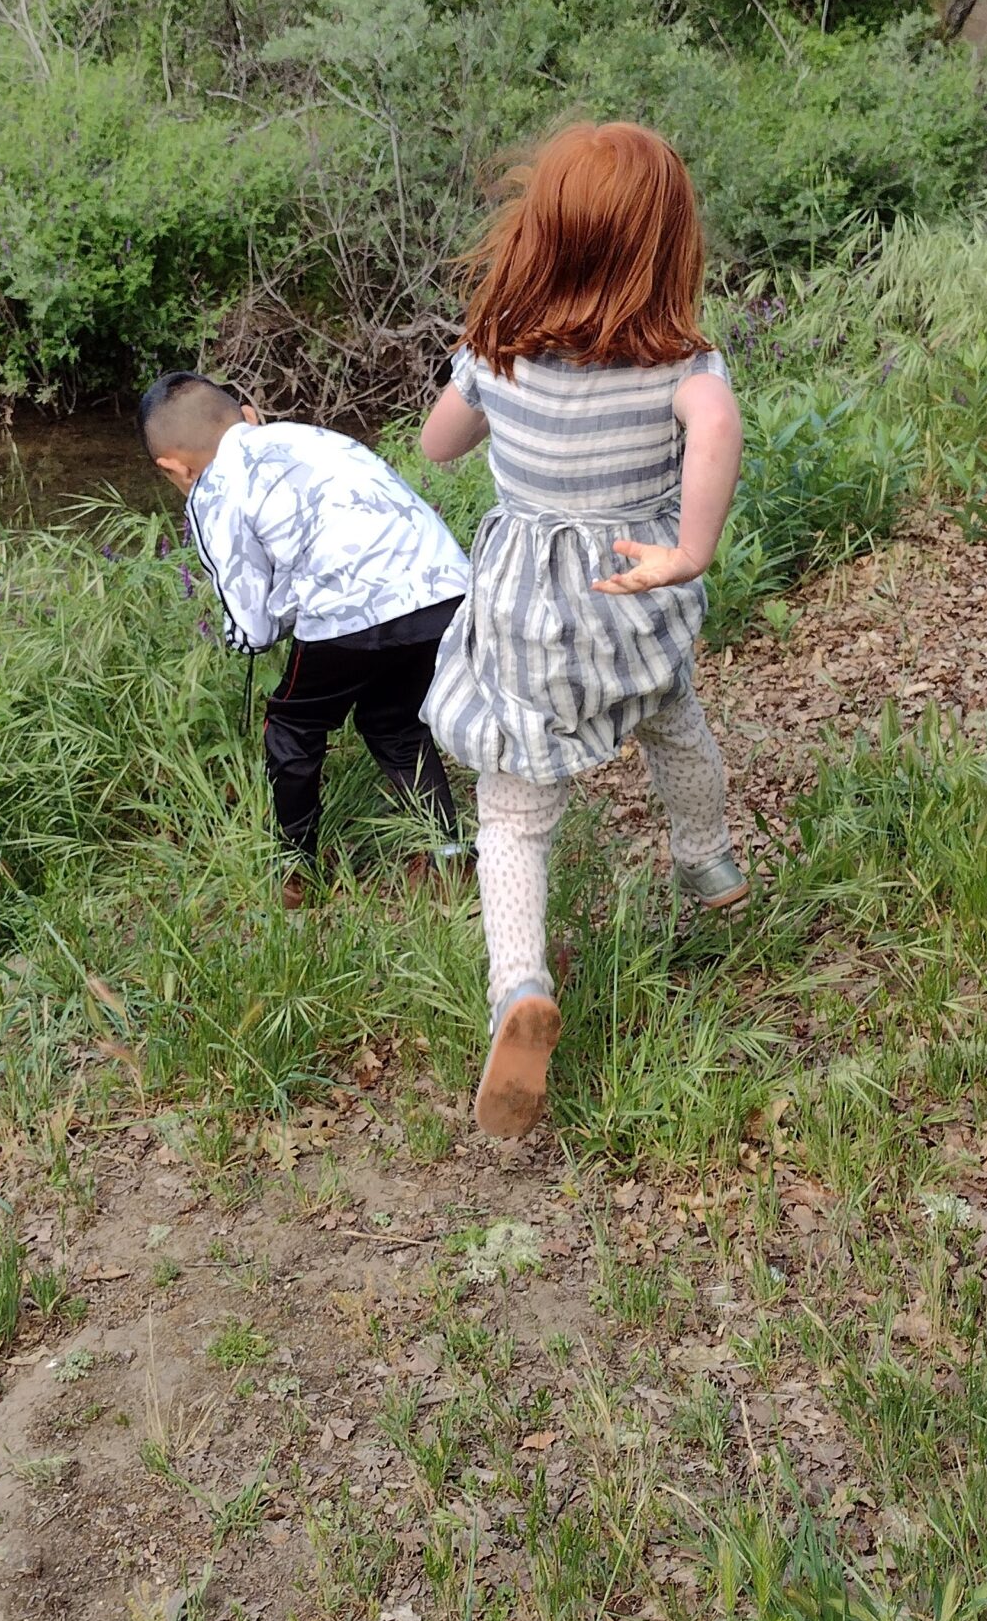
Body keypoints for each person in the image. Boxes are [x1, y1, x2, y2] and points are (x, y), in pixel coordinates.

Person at [418, 122, 747, 1140]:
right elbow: (719, 429)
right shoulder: (681, 365)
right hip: (627, 605)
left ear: (540, 231)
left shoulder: (496, 351)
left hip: (523, 622)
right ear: (667, 244)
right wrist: (688, 551)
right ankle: (710, 868)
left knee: (514, 815)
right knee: (675, 723)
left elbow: (435, 447)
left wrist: (477, 385)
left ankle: (518, 983)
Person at [140, 371, 471, 903]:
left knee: (292, 724)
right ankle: (450, 855)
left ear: (174, 468)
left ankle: (296, 874)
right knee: (393, 720)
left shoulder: (211, 487)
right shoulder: (315, 436)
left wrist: (252, 635)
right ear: (247, 415)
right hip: (444, 589)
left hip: (349, 611)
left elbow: (253, 625)